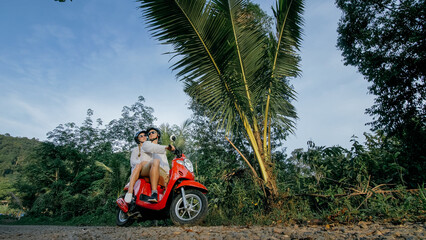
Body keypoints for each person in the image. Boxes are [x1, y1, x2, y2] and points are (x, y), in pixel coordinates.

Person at [141, 127, 175, 202]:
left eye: (152, 132)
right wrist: (166, 147)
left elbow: (164, 163)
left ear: (158, 135)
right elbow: (154, 148)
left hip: (159, 171)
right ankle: (154, 193)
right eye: (149, 134)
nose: (150, 134)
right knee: (155, 161)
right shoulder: (146, 144)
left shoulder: (162, 149)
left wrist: (168, 174)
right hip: (149, 168)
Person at [124, 130, 150, 203]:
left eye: (144, 135)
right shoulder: (136, 150)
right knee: (138, 165)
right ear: (138, 139)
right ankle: (130, 191)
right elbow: (132, 162)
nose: (143, 137)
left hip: (148, 169)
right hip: (138, 169)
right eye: (141, 136)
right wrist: (141, 163)